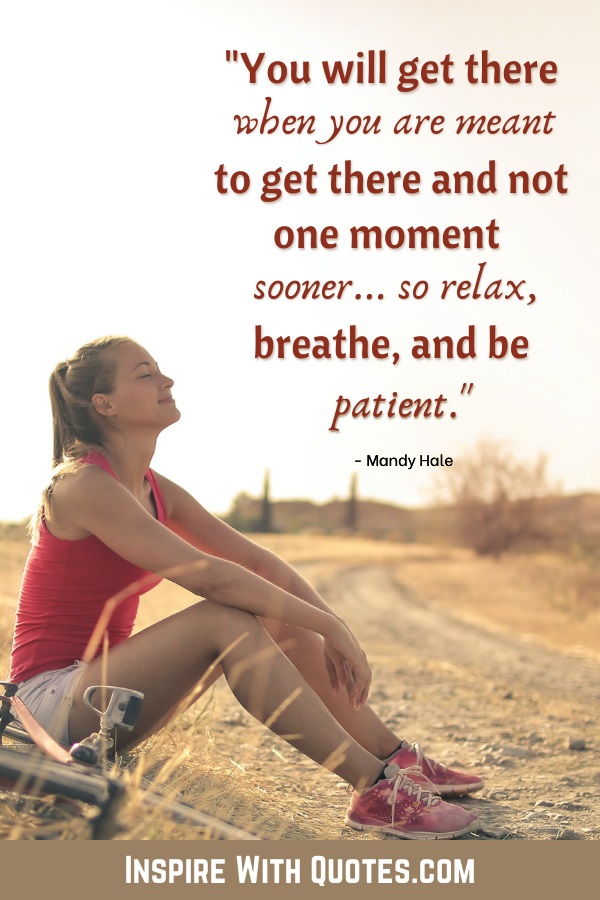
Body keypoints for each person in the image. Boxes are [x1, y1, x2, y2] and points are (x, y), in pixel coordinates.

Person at [9, 335, 483, 839]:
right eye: (145, 374)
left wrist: (332, 627)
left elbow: (256, 560)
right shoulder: (82, 484)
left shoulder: (154, 488)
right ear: (104, 404)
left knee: (275, 608)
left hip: (109, 700)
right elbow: (208, 575)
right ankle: (374, 788)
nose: (166, 381)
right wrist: (326, 624)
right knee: (225, 617)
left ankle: (393, 756)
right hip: (49, 705)